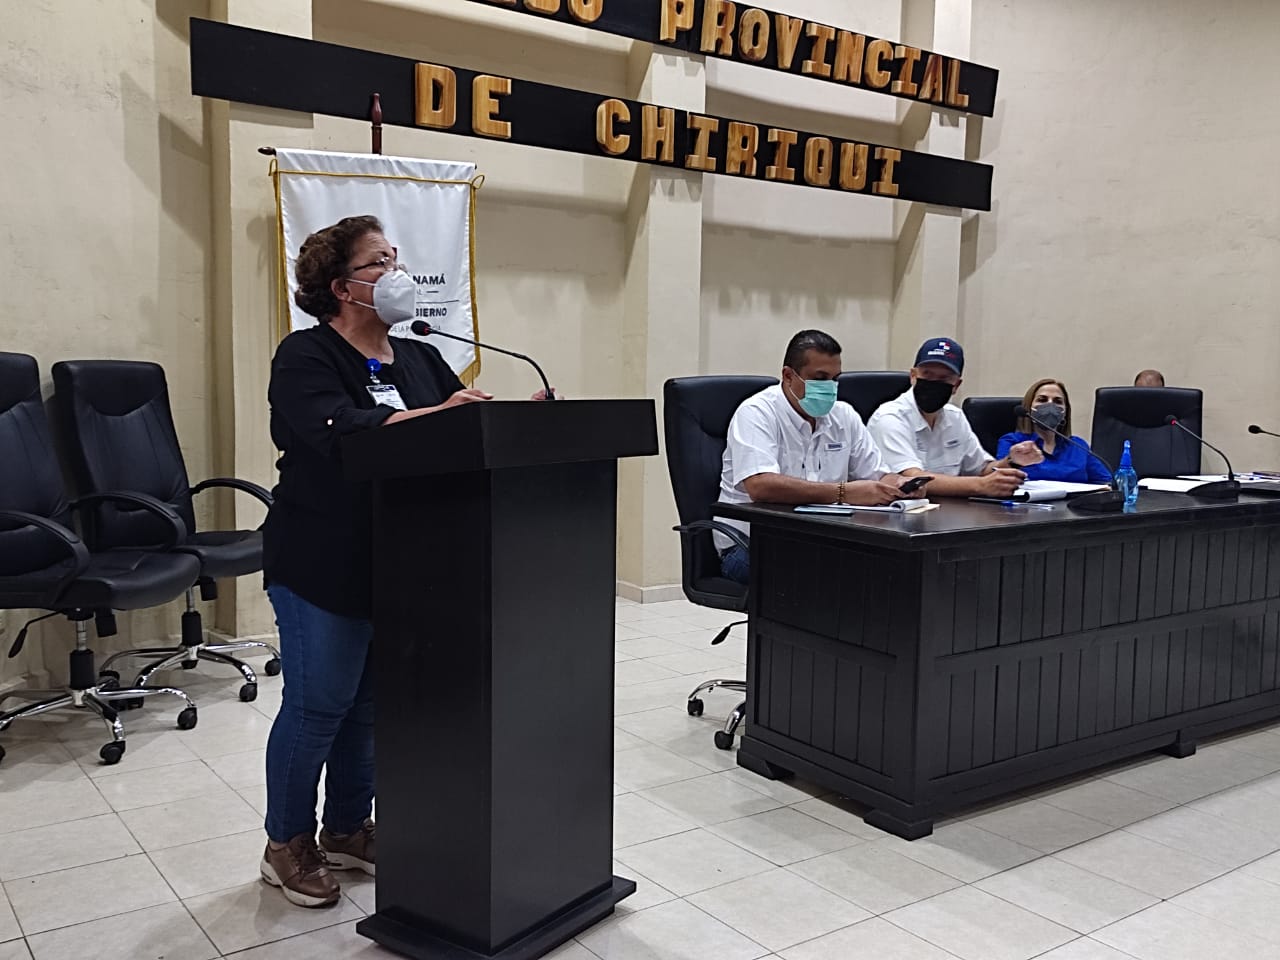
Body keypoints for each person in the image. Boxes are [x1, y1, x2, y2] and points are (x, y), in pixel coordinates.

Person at [259, 215, 549, 908]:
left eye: (398, 258)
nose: (399, 273)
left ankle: (346, 827)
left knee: (369, 706)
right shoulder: (306, 355)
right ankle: (285, 842)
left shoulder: (418, 356)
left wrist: (523, 420)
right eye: (380, 263)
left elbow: (457, 430)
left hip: (402, 558)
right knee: (319, 704)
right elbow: (343, 433)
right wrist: (445, 415)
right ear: (342, 287)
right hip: (321, 557)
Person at [716, 329, 923, 584]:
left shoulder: (844, 416)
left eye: (835, 379)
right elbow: (760, 486)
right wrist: (843, 492)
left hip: (821, 540)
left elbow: (878, 475)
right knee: (829, 579)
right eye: (820, 378)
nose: (829, 388)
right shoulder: (757, 413)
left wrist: (900, 485)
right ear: (788, 376)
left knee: (890, 569)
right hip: (751, 544)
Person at [867, 337, 1044, 498]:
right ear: (913, 376)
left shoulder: (955, 417)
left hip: (952, 512)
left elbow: (981, 469)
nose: (934, 383)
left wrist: (1012, 461)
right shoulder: (890, 417)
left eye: (944, 378)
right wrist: (981, 486)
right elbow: (912, 478)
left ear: (956, 385)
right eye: (927, 374)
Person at [997, 379, 1111, 484]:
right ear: (1029, 408)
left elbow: (1105, 482)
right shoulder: (1012, 441)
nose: (1050, 405)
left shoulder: (1078, 445)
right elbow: (999, 478)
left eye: (1057, 401)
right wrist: (1013, 461)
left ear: (1065, 412)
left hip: (1077, 500)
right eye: (1042, 400)